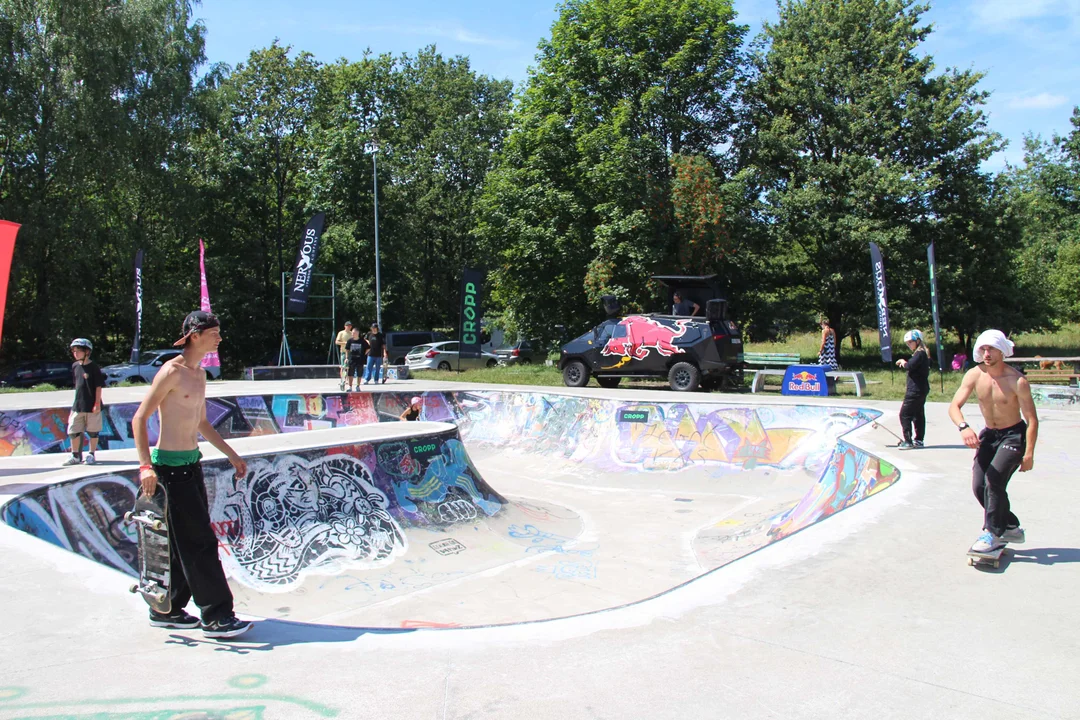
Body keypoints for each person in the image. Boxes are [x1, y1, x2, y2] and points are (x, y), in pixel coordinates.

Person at [132, 310, 253, 638]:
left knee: (179, 542)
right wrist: (145, 466)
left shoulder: (199, 375)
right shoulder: (171, 371)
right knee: (199, 541)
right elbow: (140, 418)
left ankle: (167, 608)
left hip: (191, 464)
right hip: (168, 470)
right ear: (195, 336)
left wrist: (232, 455)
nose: (219, 338)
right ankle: (216, 615)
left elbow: (201, 423)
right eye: (214, 333)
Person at [948, 329, 1038, 557]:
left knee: (994, 480)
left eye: (992, 349)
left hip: (1013, 435)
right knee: (979, 486)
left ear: (1002, 351)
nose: (986, 354)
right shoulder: (974, 375)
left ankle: (991, 532)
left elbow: (1032, 419)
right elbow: (954, 406)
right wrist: (963, 427)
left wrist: (1029, 454)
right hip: (989, 435)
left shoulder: (1017, 380)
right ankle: (1010, 526)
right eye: (983, 349)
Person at [64, 338, 106, 466]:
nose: (75, 354)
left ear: (87, 352)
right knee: (73, 430)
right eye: (74, 351)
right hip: (78, 405)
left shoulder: (93, 367)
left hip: (92, 404)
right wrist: (73, 408)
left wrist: (97, 404)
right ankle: (75, 455)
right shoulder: (75, 366)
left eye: (78, 351)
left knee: (93, 431)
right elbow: (77, 387)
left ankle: (91, 454)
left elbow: (98, 386)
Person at [895, 329, 931, 448]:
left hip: (915, 390)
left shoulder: (919, 353)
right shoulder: (922, 354)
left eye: (911, 342)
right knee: (918, 414)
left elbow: (909, 366)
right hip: (921, 388)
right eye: (908, 343)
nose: (909, 345)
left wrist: (902, 361)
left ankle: (908, 441)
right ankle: (919, 440)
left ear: (918, 341)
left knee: (904, 414)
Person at [344, 327, 368, 392]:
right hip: (352, 359)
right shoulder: (350, 341)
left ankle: (358, 386)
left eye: (354, 333)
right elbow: (347, 349)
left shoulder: (362, 341)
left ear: (357, 333)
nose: (352, 334)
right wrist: (346, 358)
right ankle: (350, 387)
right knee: (350, 374)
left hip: (360, 360)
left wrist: (363, 354)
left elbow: (368, 348)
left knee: (359, 374)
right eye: (352, 333)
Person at [335, 321, 353, 389]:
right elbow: (337, 342)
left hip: (350, 352)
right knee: (343, 367)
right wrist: (345, 343)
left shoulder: (352, 333)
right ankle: (342, 379)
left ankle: (348, 380)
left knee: (349, 367)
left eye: (350, 326)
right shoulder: (341, 333)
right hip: (343, 351)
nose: (349, 327)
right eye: (347, 326)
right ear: (345, 326)